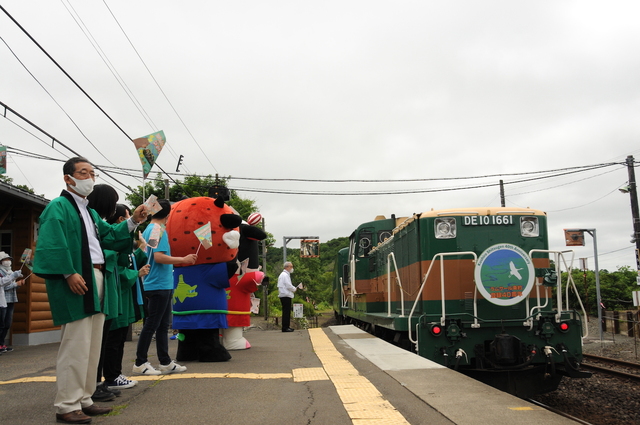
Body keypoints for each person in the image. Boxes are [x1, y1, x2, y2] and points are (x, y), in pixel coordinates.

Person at [33, 157, 148, 424]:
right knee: (76, 344)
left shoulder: (91, 212)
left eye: (92, 173)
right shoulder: (58, 207)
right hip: (77, 277)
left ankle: (84, 398)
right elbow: (51, 245)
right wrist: (68, 272)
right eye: (83, 173)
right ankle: (66, 404)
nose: (89, 178)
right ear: (68, 178)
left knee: (93, 343)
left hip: (97, 276)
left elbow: (110, 236)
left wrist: (133, 222)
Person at [133, 199, 196, 376]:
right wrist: (183, 260)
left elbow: (151, 255)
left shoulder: (150, 228)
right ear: (169, 214)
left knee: (161, 325)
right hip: (159, 283)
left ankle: (165, 361)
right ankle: (140, 362)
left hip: (156, 282)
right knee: (153, 324)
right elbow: (159, 257)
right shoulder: (158, 229)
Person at [103, 204, 149, 390]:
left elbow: (130, 261)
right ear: (121, 220)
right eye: (129, 216)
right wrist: (135, 274)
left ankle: (116, 374)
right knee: (113, 339)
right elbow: (118, 268)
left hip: (125, 294)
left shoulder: (124, 242)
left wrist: (142, 248)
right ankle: (111, 376)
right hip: (118, 293)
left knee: (119, 337)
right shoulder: (112, 241)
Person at [0, 251, 25, 353]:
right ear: (1, 261)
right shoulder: (1, 273)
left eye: (9, 259)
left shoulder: (10, 272)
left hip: (10, 300)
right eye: (6, 259)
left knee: (7, 324)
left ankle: (2, 344)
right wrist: (15, 283)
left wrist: (18, 284)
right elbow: (3, 285)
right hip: (3, 300)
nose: (8, 261)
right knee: (1, 323)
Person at [277, 261, 300, 332]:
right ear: (287, 267)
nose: (292, 268)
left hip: (284, 295)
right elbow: (288, 285)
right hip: (285, 295)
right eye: (291, 266)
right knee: (286, 312)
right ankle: (285, 327)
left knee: (286, 311)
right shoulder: (285, 275)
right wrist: (294, 289)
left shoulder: (284, 275)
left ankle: (286, 326)